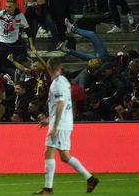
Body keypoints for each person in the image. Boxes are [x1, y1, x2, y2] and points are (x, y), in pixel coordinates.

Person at [34, 58, 99, 194]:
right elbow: (60, 104)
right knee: (63, 155)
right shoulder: (63, 81)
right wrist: (49, 119)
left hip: (61, 124)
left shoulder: (57, 83)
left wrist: (55, 125)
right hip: (63, 122)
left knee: (51, 152)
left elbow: (60, 104)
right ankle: (90, 179)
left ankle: (48, 188)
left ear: (49, 68)